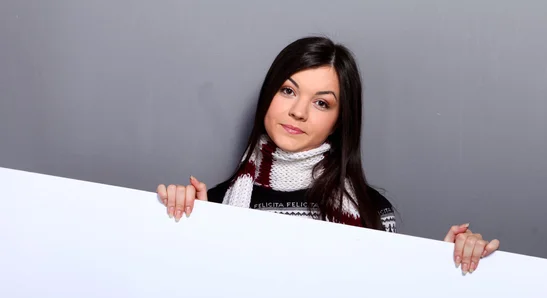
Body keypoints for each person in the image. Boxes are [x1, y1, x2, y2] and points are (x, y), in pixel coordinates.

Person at [156, 36, 500, 275]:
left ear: (338, 121)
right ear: (269, 97)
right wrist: (188, 225)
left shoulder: (374, 212)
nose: (299, 112)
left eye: (321, 102)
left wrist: (451, 264)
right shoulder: (214, 203)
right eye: (288, 91)